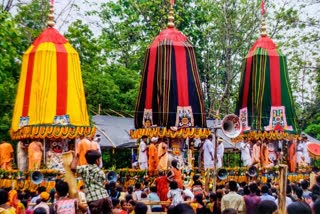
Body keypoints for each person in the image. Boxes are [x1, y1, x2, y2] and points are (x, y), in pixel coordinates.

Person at [71, 149, 111, 214]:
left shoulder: (84, 168)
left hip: (94, 200)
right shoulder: (100, 171)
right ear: (97, 160)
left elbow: (73, 168)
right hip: (105, 197)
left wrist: (76, 157)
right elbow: (104, 183)